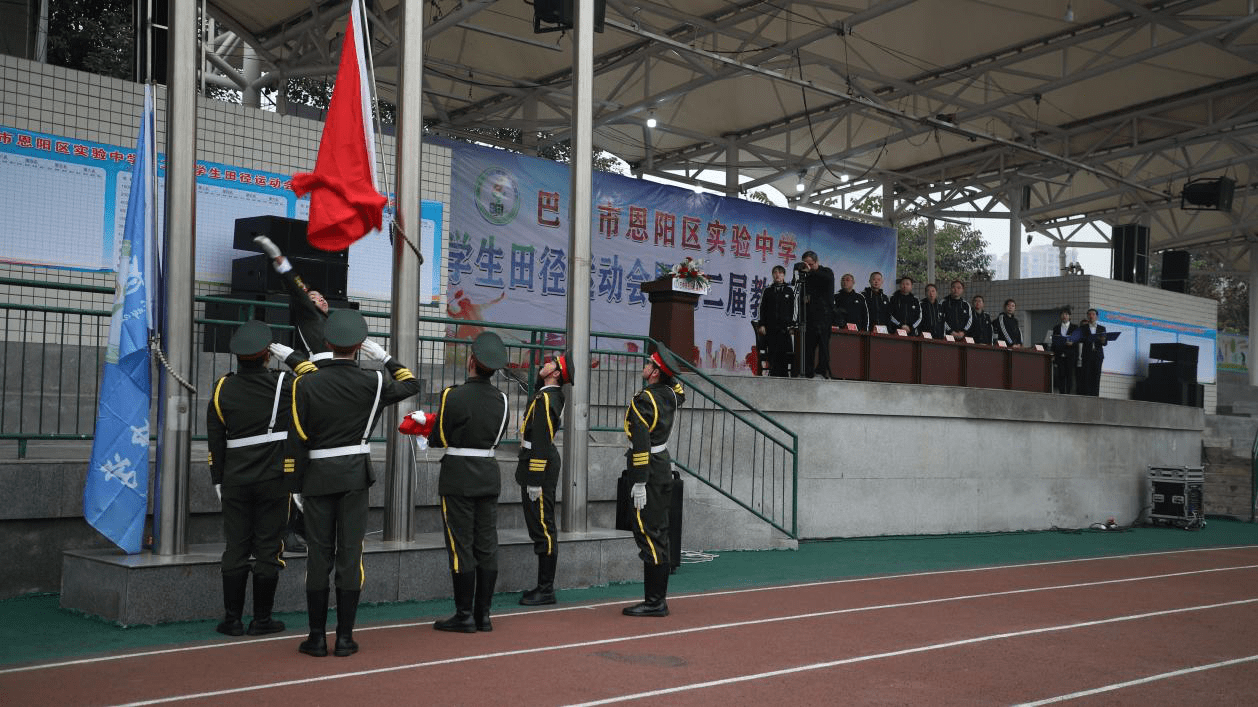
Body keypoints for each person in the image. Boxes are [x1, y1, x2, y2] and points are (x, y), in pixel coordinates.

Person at [289, 309, 421, 657]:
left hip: (317, 476)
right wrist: (387, 358)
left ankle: (316, 638)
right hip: (354, 476)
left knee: (319, 556)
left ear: (328, 343)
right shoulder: (374, 381)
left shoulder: (305, 382)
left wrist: (296, 482)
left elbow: (298, 434)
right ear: (360, 346)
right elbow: (411, 383)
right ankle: (345, 638)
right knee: (350, 555)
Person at [206, 320, 316, 638]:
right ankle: (262, 619)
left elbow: (215, 439)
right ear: (268, 355)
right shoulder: (283, 383)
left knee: (236, 547)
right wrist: (292, 356)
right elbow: (317, 378)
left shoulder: (222, 387)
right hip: (274, 478)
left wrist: (218, 479)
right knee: (269, 547)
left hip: (234, 480)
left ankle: (232, 620)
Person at [428, 332, 511, 633]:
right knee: (487, 544)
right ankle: (483, 615)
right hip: (488, 473)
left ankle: (464, 615)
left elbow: (440, 437)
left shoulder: (453, 395)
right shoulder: (502, 399)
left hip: (459, 476)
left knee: (461, 545)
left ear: (473, 361)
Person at [253, 233, 325, 555]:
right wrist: (280, 259)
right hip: (314, 387)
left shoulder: (338, 326)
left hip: (332, 391)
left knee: (319, 462)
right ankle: (288, 529)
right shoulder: (308, 316)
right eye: (314, 297)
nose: (319, 300)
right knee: (300, 458)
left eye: (323, 298)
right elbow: (297, 290)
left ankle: (307, 527)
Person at [622, 349, 686, 617]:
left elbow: (640, 443)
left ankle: (655, 601)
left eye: (650, 364)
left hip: (648, 468)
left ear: (656, 372)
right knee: (658, 531)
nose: (645, 366)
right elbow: (679, 389)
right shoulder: (671, 395)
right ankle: (656, 599)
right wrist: (668, 374)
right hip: (661, 466)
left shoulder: (644, 400)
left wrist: (638, 481)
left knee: (648, 533)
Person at [516, 351, 574, 606]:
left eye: (551, 363)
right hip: (536, 459)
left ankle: (546, 589)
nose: (545, 364)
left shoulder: (548, 399)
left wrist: (536, 478)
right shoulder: (546, 394)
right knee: (539, 525)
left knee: (544, 527)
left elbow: (540, 437)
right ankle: (543, 587)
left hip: (539, 463)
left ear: (556, 373)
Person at [798, 251, 834, 378]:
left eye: (810, 264)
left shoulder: (826, 272)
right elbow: (802, 293)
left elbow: (827, 279)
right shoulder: (806, 276)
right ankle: (808, 372)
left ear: (816, 262)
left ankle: (821, 371)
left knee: (824, 346)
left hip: (824, 316)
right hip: (810, 316)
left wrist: (811, 271)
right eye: (805, 264)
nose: (808, 267)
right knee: (809, 346)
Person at [755, 265, 796, 377]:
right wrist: (762, 324)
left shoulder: (789, 290)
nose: (777, 275)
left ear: (783, 275)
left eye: (780, 273)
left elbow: (793, 309)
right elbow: (762, 309)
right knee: (773, 347)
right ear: (772, 275)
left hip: (784, 328)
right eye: (775, 273)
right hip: (771, 328)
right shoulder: (768, 291)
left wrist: (791, 325)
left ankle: (783, 375)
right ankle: (773, 373)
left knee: (785, 348)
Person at [1046, 306, 1079, 394]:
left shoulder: (1075, 327)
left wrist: (1072, 343)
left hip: (1070, 355)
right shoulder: (1056, 328)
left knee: (1069, 376)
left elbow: (1077, 341)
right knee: (1060, 375)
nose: (1064, 316)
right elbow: (1053, 342)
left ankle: (1068, 393)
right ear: (1060, 316)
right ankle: (1061, 393)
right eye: (1062, 314)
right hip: (1059, 354)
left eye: (1066, 314)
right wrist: (1053, 354)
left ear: (1070, 316)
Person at [1079, 308, 1108, 396]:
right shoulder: (1083, 328)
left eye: (1093, 314)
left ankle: (1095, 396)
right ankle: (1087, 395)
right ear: (1087, 316)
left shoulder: (1102, 328)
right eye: (1089, 314)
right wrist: (1089, 338)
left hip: (1098, 355)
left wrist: (1102, 340)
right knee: (1087, 376)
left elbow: (1105, 343)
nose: (1091, 316)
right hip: (1087, 354)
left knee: (1096, 376)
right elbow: (1080, 339)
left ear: (1096, 317)